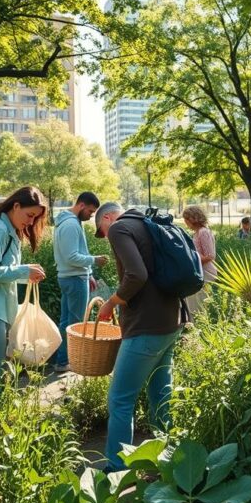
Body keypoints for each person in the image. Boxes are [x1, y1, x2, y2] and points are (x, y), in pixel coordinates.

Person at [94, 202, 184, 472]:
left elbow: (137, 274)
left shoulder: (120, 228)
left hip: (145, 326)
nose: (105, 236)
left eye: (102, 230)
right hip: (171, 321)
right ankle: (168, 458)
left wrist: (112, 302)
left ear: (108, 218)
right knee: (160, 394)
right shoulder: (149, 223)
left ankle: (116, 469)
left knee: (120, 399)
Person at [0, 187, 47, 386]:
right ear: (16, 206)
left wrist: (27, 275)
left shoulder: (9, 230)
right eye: (30, 215)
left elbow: (4, 272)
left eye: (35, 218)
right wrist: (23, 271)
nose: (31, 222)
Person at [52, 192, 107, 373]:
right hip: (74, 278)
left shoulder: (69, 222)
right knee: (75, 324)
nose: (91, 216)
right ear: (81, 205)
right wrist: (95, 260)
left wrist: (89, 273)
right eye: (91, 211)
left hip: (72, 277)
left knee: (67, 321)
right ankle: (68, 361)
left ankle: (62, 359)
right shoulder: (70, 225)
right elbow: (72, 257)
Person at [182, 206, 218, 314]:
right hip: (199, 272)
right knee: (193, 301)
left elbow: (210, 255)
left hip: (206, 273)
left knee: (197, 304)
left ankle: (197, 326)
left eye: (186, 219)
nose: (185, 222)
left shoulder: (203, 232)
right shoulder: (197, 233)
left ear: (192, 219)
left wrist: (191, 257)